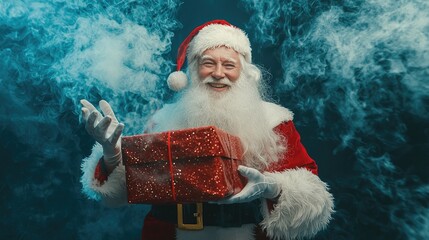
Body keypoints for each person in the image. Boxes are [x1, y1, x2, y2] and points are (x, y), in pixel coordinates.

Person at [80, 20, 334, 240]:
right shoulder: (162, 120)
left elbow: (314, 199)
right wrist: (112, 156)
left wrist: (272, 188)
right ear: (193, 70)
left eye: (229, 65)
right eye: (208, 63)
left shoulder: (274, 121)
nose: (218, 73)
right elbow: (123, 194)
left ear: (244, 73)